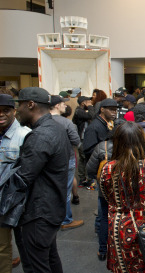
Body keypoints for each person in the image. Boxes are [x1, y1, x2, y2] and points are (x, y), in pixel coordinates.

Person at [100, 121, 145, 272]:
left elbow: (107, 196)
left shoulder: (108, 168)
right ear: (141, 141)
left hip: (121, 228)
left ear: (117, 142)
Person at [15, 87, 72, 273]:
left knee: (37, 265)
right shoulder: (56, 128)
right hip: (51, 207)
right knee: (50, 257)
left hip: (38, 211)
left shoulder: (41, 135)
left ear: (30, 104)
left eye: (20, 106)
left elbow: (23, 178)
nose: (17, 111)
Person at [0, 94, 31, 273]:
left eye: (5, 110)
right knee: (2, 247)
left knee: (26, 246)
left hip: (20, 201)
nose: (1, 115)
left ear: (14, 111)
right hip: (1, 201)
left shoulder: (25, 135)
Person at [86, 120, 124, 262]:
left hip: (105, 190)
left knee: (104, 218)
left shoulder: (102, 146)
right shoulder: (131, 147)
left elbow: (90, 169)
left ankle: (103, 250)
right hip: (125, 191)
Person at [49, 95, 84, 231]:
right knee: (65, 190)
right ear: (57, 106)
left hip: (48, 160)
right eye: (63, 104)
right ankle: (65, 220)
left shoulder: (41, 121)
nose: (65, 106)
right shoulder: (67, 123)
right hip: (65, 159)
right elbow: (76, 141)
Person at [72, 95, 95, 186]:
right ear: (83, 103)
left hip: (82, 138)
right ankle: (87, 179)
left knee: (82, 159)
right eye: (87, 101)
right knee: (86, 158)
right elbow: (91, 115)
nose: (90, 103)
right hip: (81, 139)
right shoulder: (79, 111)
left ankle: (82, 178)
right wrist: (90, 106)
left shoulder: (80, 111)